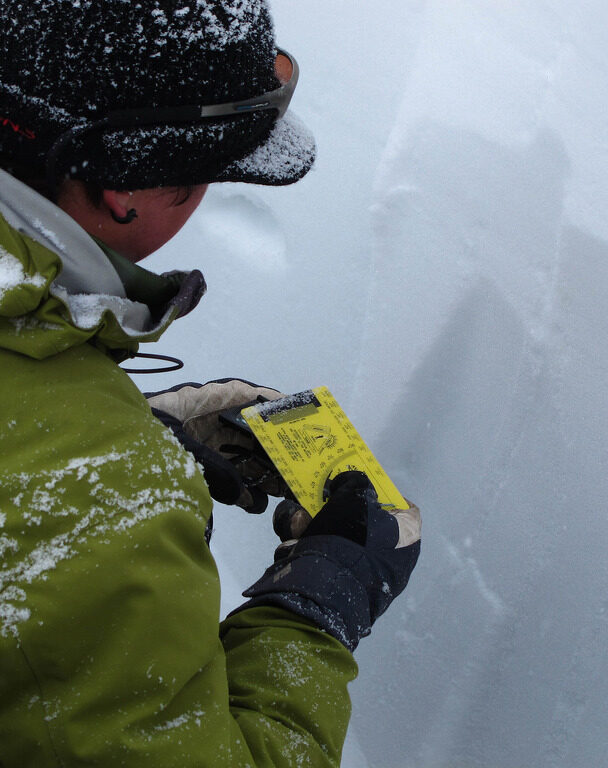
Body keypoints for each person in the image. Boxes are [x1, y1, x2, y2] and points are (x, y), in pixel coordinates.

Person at [0, 1, 421, 766]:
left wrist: (108, 425)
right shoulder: (96, 504)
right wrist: (316, 609)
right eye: (199, 179)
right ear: (121, 187)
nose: (199, 203)